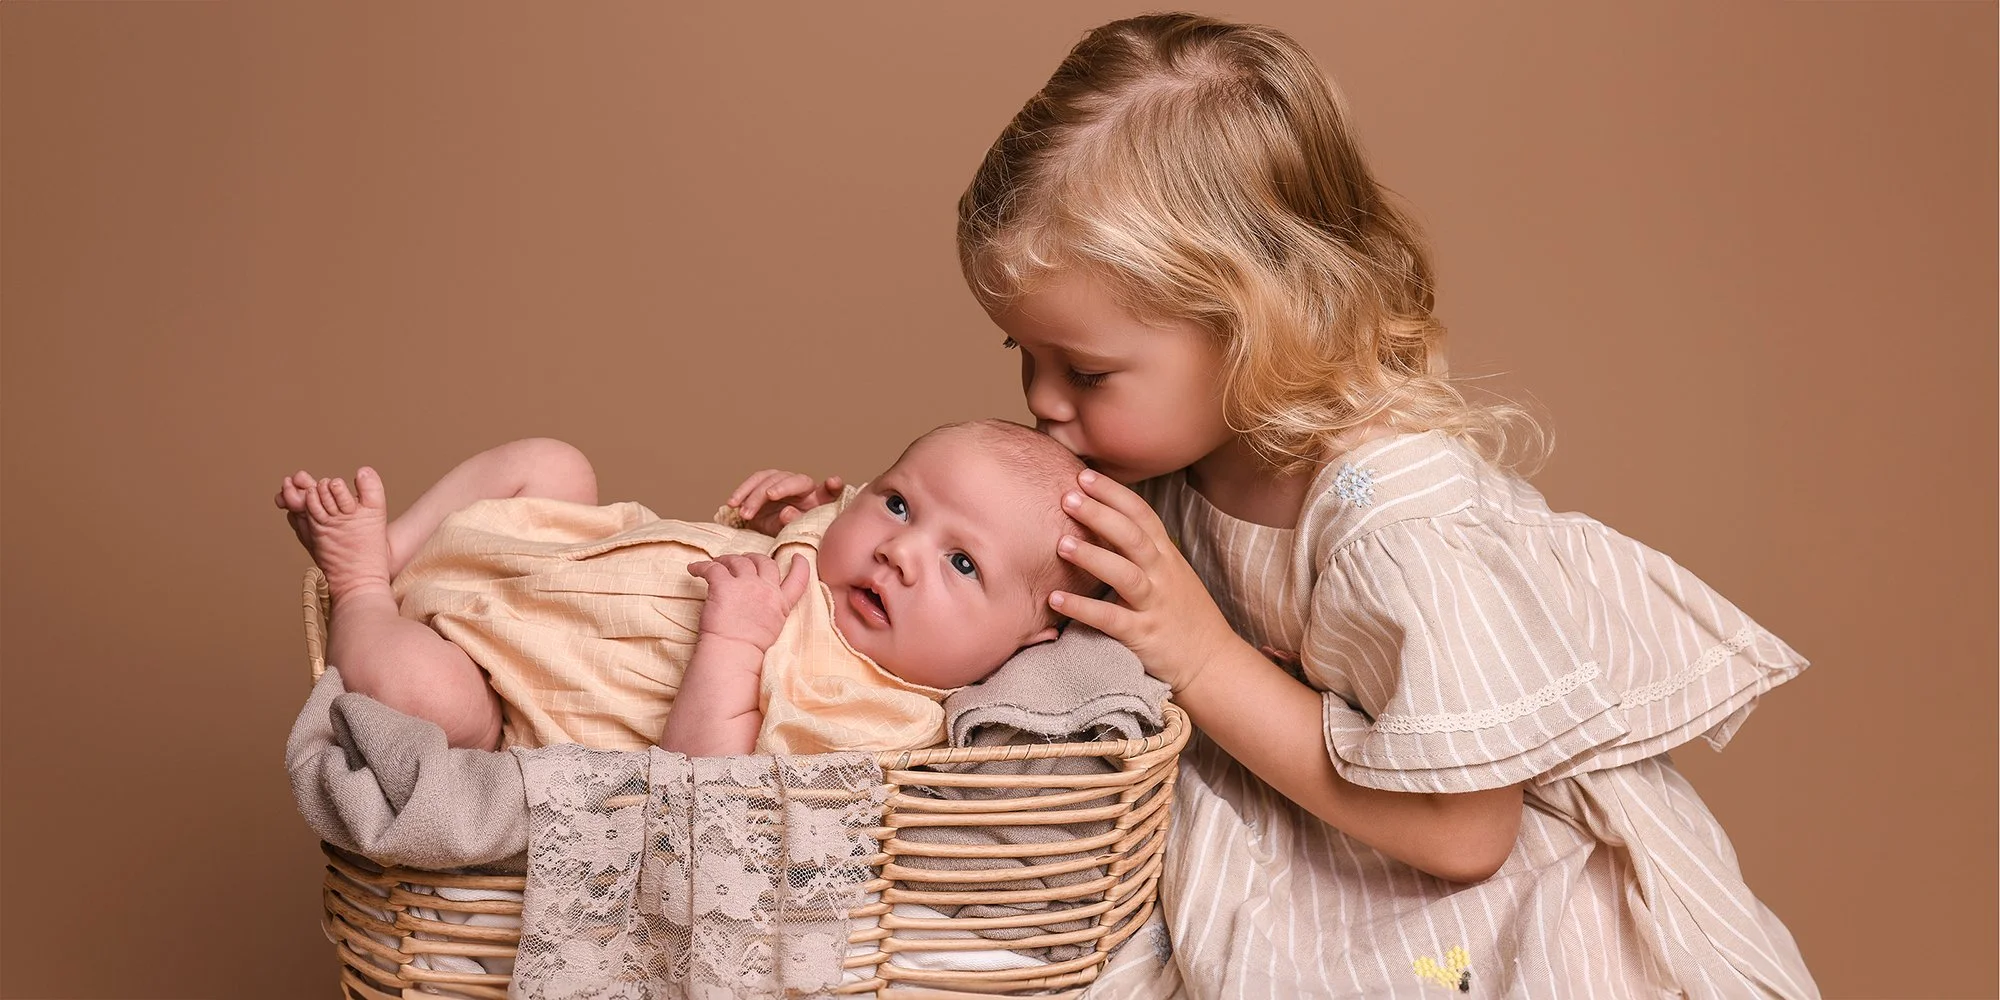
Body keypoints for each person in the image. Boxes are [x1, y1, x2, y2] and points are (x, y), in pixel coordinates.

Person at [950, 13, 1818, 998]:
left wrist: (1201, 657)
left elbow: (1469, 833)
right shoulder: (1153, 448)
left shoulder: (1395, 516)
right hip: (1293, 855)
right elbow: (993, 585)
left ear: (1252, 324)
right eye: (1022, 353)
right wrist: (848, 531)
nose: (1042, 400)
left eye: (1084, 370)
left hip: (1489, 915)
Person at [275, 419, 1093, 756]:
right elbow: (811, 528)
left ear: (1027, 642)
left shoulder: (878, 713)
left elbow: (706, 790)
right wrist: (781, 523)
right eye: (899, 503)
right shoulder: (839, 554)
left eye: (962, 564)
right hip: (551, 555)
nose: (900, 551)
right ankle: (397, 546)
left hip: (499, 685)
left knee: (433, 702)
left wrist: (734, 640)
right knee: (556, 464)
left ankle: (362, 587)